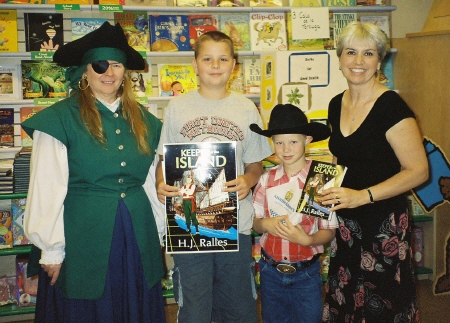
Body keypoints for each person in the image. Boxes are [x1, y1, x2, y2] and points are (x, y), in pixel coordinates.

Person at [22, 22, 166, 323]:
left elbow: (153, 183)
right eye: (100, 65)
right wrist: (51, 248)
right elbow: (46, 186)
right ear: (86, 71)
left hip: (136, 233)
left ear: (125, 72)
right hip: (82, 236)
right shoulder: (60, 119)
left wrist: (159, 231)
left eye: (116, 64)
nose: (109, 72)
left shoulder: (145, 121)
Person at [155, 30, 273, 323]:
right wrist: (160, 182)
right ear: (195, 64)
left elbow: (255, 164)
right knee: (195, 305)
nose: (215, 65)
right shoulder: (177, 107)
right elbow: (162, 159)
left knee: (238, 305)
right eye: (207, 58)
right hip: (189, 226)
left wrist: (248, 179)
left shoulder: (246, 107)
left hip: (235, 224)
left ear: (234, 65)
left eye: (223, 58)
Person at [320, 21, 429, 322]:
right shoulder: (334, 104)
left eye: (368, 54)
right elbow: (341, 157)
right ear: (339, 58)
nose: (358, 61)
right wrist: (321, 191)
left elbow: (419, 171)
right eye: (351, 52)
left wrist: (362, 196)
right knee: (345, 296)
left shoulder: (391, 106)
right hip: (346, 223)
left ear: (379, 60)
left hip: (384, 224)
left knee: (382, 302)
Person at [250, 104, 338, 323]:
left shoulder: (318, 179)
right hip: (271, 271)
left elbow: (329, 231)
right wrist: (265, 225)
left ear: (307, 139)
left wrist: (307, 239)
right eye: (279, 142)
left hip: (306, 274)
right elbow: (255, 221)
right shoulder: (266, 179)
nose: (286, 149)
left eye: (293, 142)